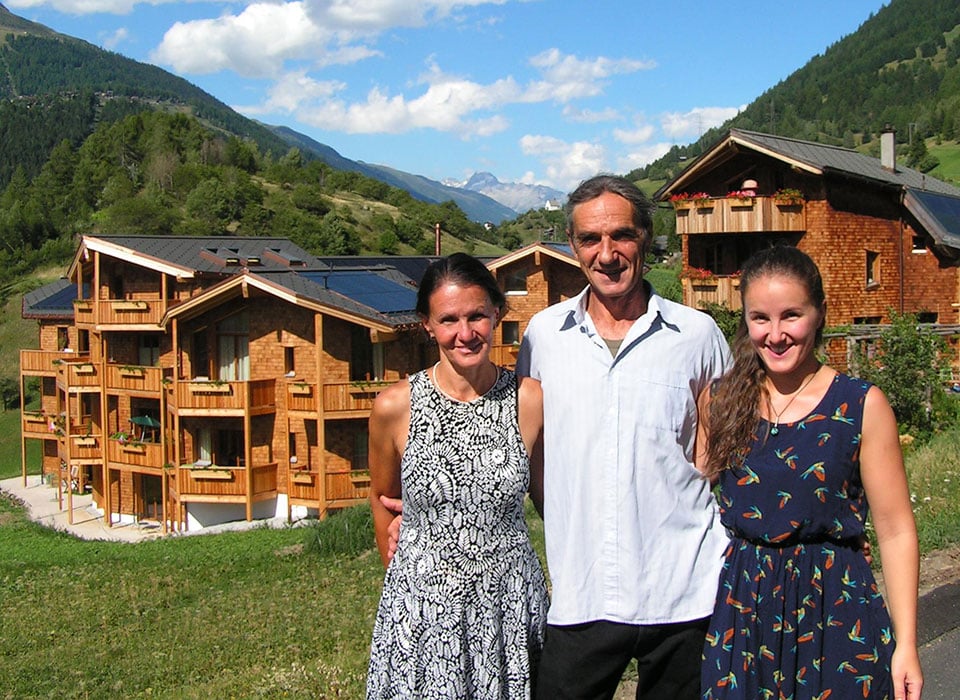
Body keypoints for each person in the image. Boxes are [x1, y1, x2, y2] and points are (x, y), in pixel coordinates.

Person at [517, 174, 731, 699]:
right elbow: (533, 454)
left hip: (683, 588)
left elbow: (718, 452)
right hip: (582, 589)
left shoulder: (697, 334)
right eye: (591, 239)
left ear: (646, 238)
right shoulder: (543, 337)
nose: (607, 253)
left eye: (622, 236)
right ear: (573, 245)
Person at [696, 246, 922, 699]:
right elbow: (690, 499)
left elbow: (895, 530)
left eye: (791, 316)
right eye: (760, 318)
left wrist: (907, 645)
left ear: (819, 314)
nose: (775, 335)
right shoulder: (720, 401)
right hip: (745, 613)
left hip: (836, 609)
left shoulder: (860, 405)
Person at [366, 252, 548, 699]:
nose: (464, 334)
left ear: (497, 313)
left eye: (477, 317)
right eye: (448, 320)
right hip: (423, 614)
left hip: (509, 605)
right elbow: (382, 498)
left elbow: (550, 500)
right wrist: (412, 579)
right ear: (427, 324)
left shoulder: (529, 400)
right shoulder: (394, 407)